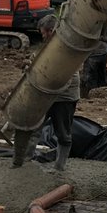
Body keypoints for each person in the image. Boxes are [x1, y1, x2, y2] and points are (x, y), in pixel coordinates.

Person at [33, 14, 79, 171]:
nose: (43, 36)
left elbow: (69, 77)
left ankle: (59, 167)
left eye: (43, 33)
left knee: (62, 132)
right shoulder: (50, 45)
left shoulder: (66, 46)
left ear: (51, 31)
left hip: (64, 97)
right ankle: (24, 162)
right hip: (47, 93)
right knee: (33, 126)